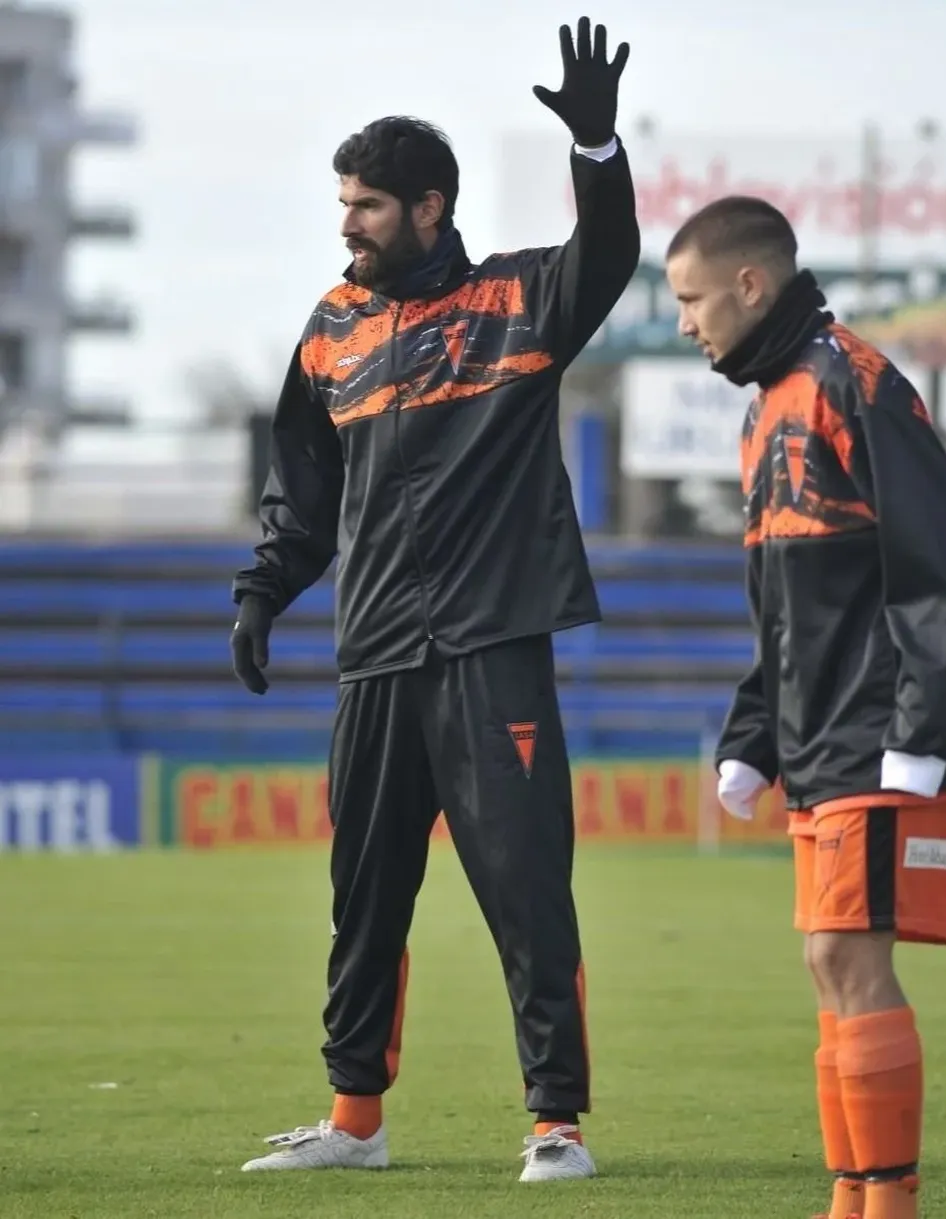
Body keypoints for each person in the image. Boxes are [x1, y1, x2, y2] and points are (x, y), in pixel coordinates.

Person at [229, 16, 639, 1183]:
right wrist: (265, 591)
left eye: (365, 202)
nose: (346, 221)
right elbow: (301, 493)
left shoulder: (519, 301)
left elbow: (605, 258)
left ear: (430, 205)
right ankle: (354, 1123)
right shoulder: (331, 332)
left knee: (523, 890)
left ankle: (555, 1122)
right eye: (343, 200)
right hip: (375, 658)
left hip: (491, 646)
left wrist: (597, 150)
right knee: (361, 895)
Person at [664, 196, 946, 1219]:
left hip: (882, 736)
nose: (684, 322)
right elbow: (782, 604)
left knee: (849, 958)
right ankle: (851, 1197)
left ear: (749, 285)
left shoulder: (855, 382)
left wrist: (920, 731)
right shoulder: (766, 408)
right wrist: (751, 736)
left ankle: (886, 1202)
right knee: (826, 962)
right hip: (817, 740)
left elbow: (939, 565)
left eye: (692, 298)